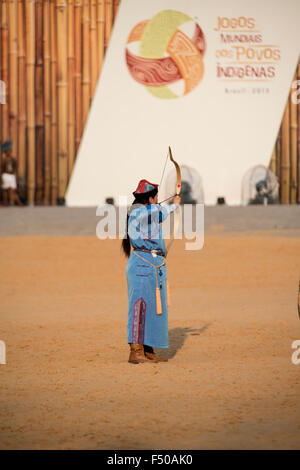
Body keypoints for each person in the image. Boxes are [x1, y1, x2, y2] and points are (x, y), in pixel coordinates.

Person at [122, 179, 181, 364]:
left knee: (153, 307)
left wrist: (172, 207)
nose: (157, 200)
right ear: (150, 198)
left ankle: (147, 350)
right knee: (139, 305)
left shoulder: (149, 213)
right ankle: (136, 352)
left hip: (152, 264)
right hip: (141, 264)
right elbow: (155, 211)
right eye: (156, 197)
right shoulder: (138, 211)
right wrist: (173, 205)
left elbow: (158, 215)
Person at [1, 140, 23, 206]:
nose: (8, 152)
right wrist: (1, 177)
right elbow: (2, 169)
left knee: (13, 190)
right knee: (5, 190)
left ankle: (19, 203)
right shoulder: (4, 160)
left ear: (11, 151)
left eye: (9, 151)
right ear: (5, 152)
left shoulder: (13, 160)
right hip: (5, 175)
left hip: (11, 176)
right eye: (7, 151)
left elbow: (15, 168)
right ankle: (5, 203)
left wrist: (15, 176)